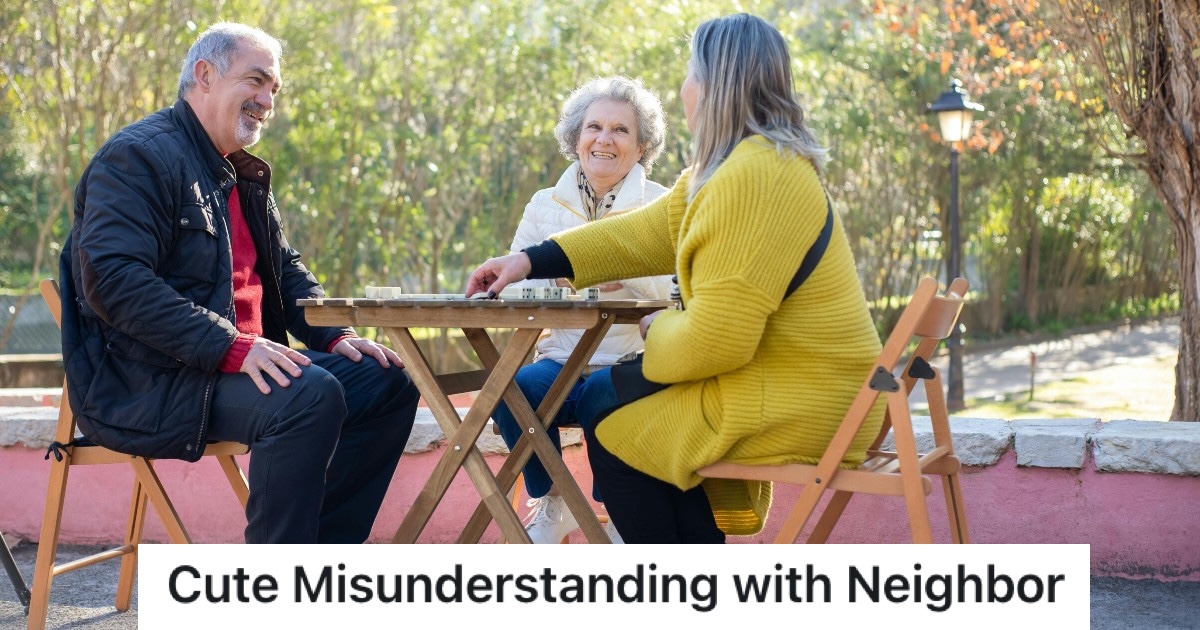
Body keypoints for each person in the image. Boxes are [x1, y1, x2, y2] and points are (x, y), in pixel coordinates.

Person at [467, 13, 884, 543]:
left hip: (804, 398)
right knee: (606, 401)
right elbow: (638, 236)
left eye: (691, 74)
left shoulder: (756, 175)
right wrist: (529, 260)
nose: (684, 88)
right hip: (786, 384)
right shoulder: (733, 165)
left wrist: (652, 330)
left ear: (716, 85)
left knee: (608, 408)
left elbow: (718, 338)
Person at [60, 22, 421, 543]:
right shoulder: (138, 157)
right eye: (255, 82)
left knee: (386, 381)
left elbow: (283, 268)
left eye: (274, 89)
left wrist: (334, 335)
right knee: (307, 395)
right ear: (204, 75)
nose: (266, 101)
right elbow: (116, 281)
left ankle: (323, 563)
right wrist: (231, 346)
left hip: (237, 363)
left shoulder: (241, 173)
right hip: (151, 379)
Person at [492, 76, 672, 544]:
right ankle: (557, 503)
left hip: (631, 363)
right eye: (594, 127)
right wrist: (543, 275)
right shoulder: (542, 204)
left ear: (642, 146)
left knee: (604, 398)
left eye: (620, 130)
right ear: (576, 137)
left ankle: (620, 513)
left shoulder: (664, 205)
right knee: (511, 390)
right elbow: (510, 289)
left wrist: (624, 271)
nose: (604, 139)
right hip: (559, 362)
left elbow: (681, 288)